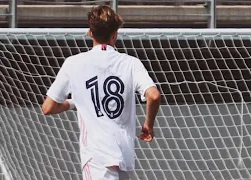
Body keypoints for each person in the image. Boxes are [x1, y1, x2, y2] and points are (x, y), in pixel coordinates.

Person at [41, 5, 161, 180]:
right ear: (115, 35)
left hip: (97, 157)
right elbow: (154, 95)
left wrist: (75, 103)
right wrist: (148, 124)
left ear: (90, 33)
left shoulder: (74, 63)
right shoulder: (131, 63)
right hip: (124, 156)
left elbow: (48, 108)